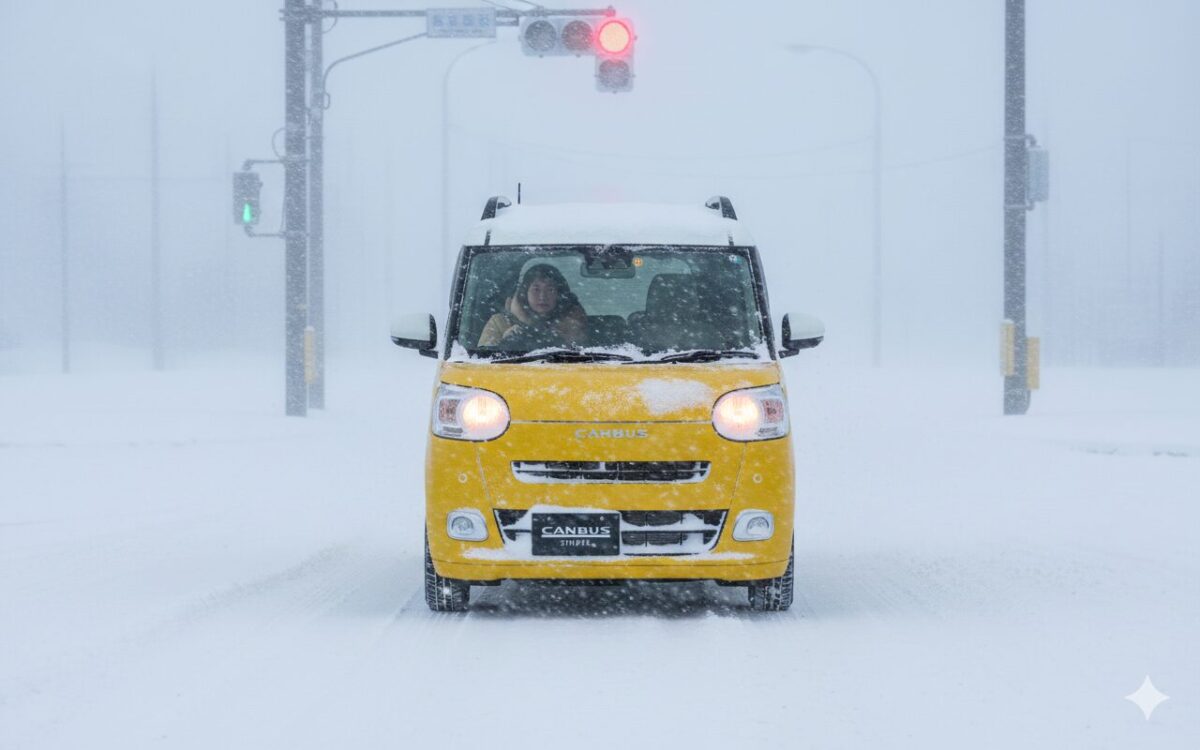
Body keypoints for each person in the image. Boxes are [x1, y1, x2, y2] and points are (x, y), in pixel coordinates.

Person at [478, 264, 587, 347]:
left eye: (550, 290)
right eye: (536, 289)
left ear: (559, 295)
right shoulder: (499, 323)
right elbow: (481, 365)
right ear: (525, 293)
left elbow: (587, 361)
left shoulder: (573, 324)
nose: (542, 296)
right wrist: (505, 342)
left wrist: (567, 339)